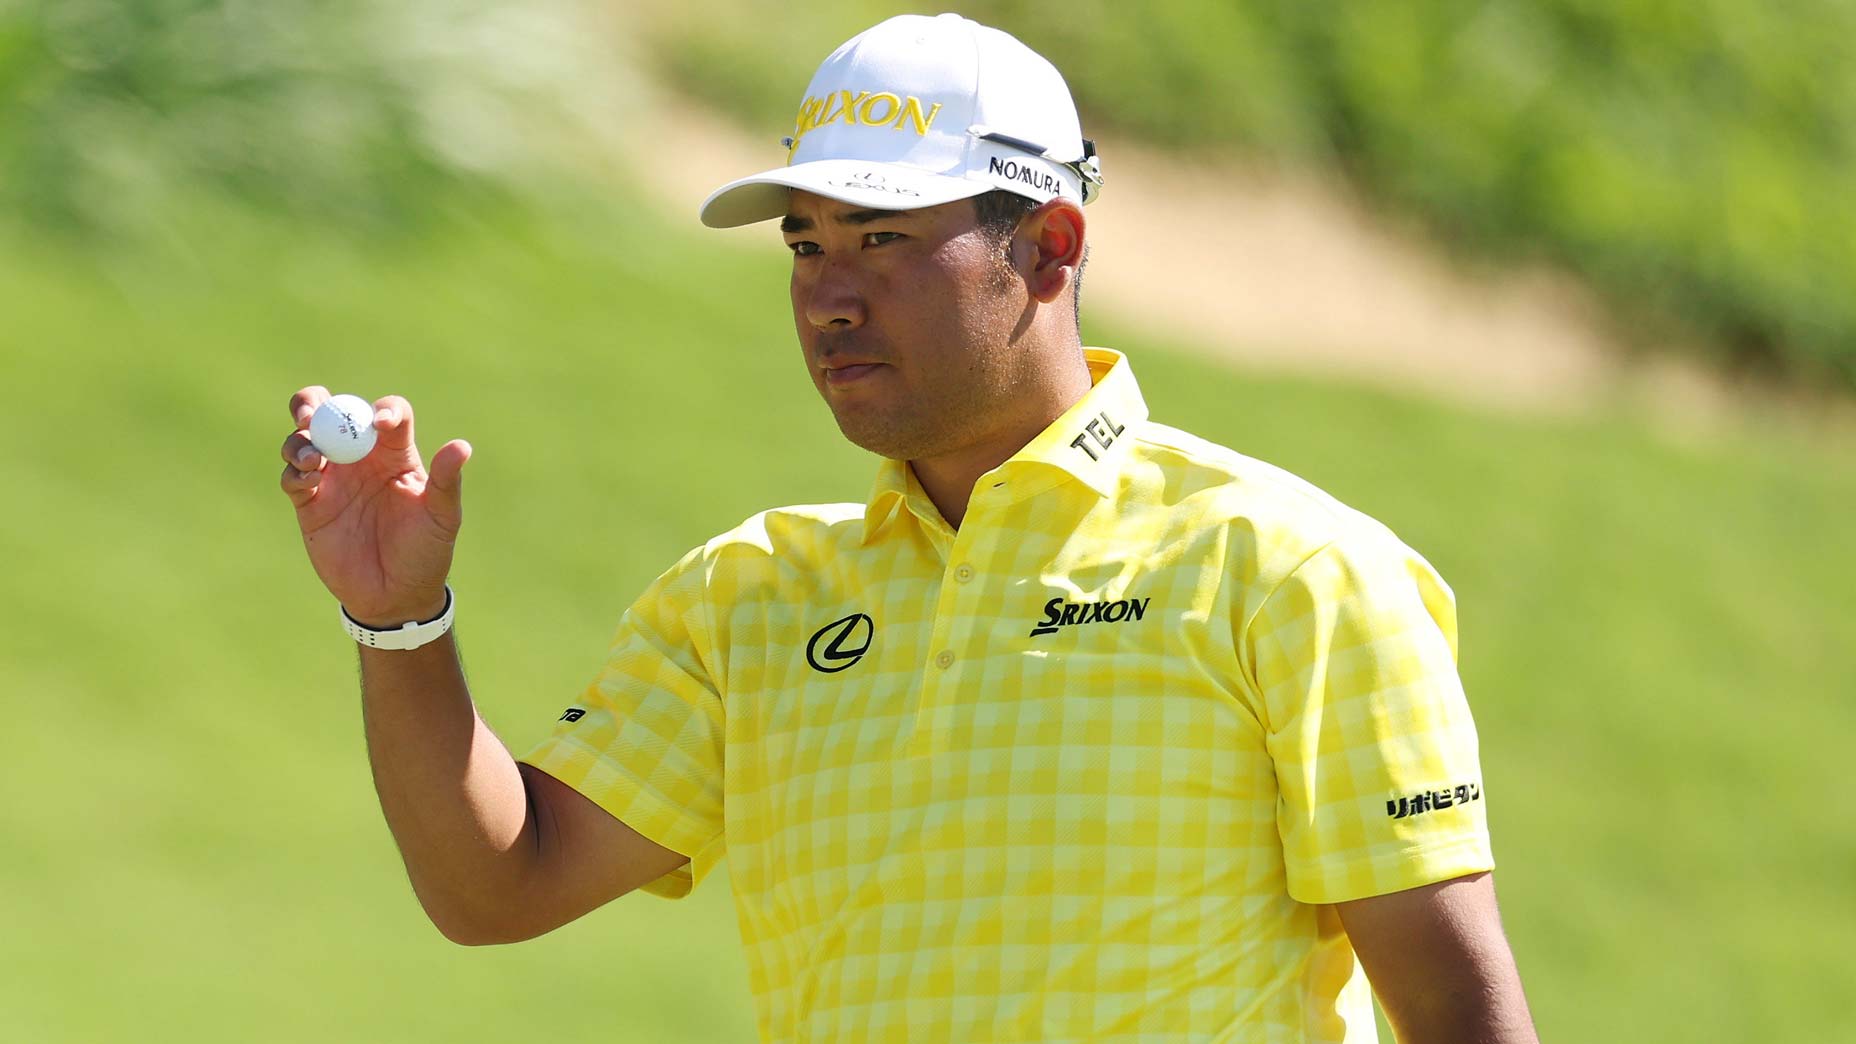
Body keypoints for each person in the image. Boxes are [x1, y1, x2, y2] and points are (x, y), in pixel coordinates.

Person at [278, 13, 1538, 1043]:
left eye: (882, 238)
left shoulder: (1289, 569)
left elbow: (1451, 1002)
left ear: (1047, 247)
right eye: (805, 243)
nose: (828, 293)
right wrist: (397, 625)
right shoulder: (752, 595)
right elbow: (499, 885)